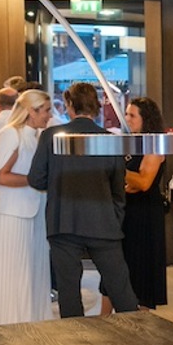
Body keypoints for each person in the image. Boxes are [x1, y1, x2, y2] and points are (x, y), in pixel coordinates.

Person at [28, 82, 139, 317]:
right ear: (95, 106)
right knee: (120, 288)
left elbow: (36, 179)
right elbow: (118, 187)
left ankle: (76, 338)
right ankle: (137, 333)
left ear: (69, 104)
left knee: (68, 291)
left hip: (63, 222)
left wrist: (58, 184)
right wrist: (115, 218)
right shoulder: (110, 139)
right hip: (104, 222)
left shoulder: (50, 136)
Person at [0, 89, 54, 326]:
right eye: (46, 111)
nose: (49, 115)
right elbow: (0, 176)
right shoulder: (11, 134)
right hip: (10, 213)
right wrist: (36, 180)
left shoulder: (37, 136)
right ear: (32, 111)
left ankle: (32, 320)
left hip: (33, 210)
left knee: (33, 270)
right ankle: (11, 322)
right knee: (13, 271)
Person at [122, 97, 169, 309]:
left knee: (143, 269)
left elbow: (143, 182)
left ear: (146, 119)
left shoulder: (154, 144)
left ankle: (142, 318)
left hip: (145, 214)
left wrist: (117, 171)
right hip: (128, 211)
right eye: (126, 114)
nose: (127, 119)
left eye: (132, 115)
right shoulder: (131, 142)